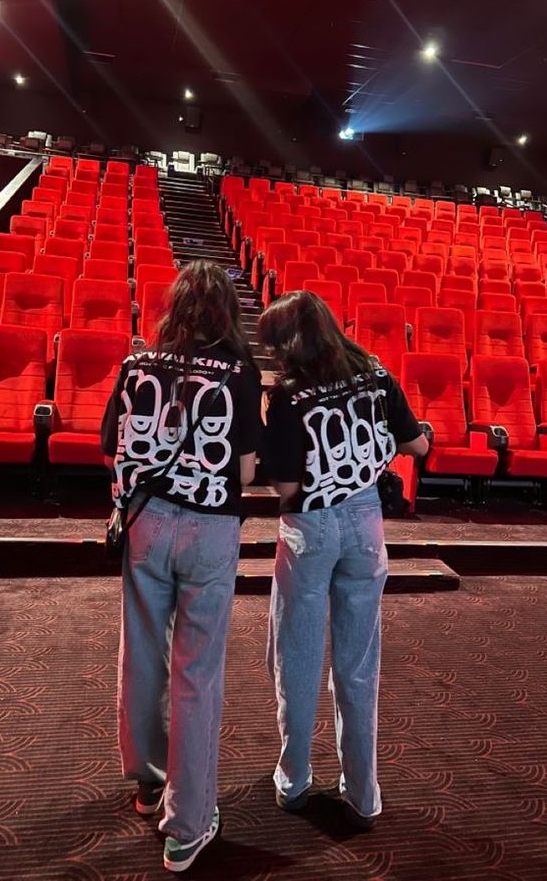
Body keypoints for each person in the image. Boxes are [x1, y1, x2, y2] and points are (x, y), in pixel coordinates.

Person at [101, 260, 262, 873]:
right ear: (227, 312)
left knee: (141, 651)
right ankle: (188, 824)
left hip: (147, 522)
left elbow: (107, 443)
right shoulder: (242, 373)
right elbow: (245, 472)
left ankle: (147, 781)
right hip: (210, 528)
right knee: (198, 674)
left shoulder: (137, 363)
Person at [258, 290, 428, 829]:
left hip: (311, 525)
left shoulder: (287, 395)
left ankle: (296, 779)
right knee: (359, 666)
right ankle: (362, 792)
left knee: (298, 658)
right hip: (365, 522)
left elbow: (285, 484)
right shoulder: (375, 374)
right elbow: (416, 446)